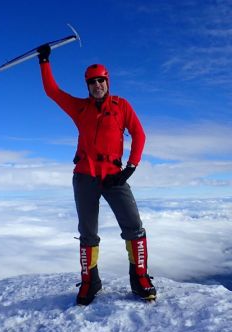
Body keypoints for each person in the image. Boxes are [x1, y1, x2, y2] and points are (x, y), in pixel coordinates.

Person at [36, 44, 156, 305]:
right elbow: (52, 92)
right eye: (92, 82)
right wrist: (44, 61)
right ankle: (91, 281)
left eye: (101, 80)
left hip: (115, 177)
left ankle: (140, 278)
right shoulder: (80, 108)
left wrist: (130, 169)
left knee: (134, 228)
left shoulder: (121, 106)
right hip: (85, 177)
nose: (97, 85)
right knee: (88, 233)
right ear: (87, 85)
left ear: (107, 82)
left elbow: (139, 135)